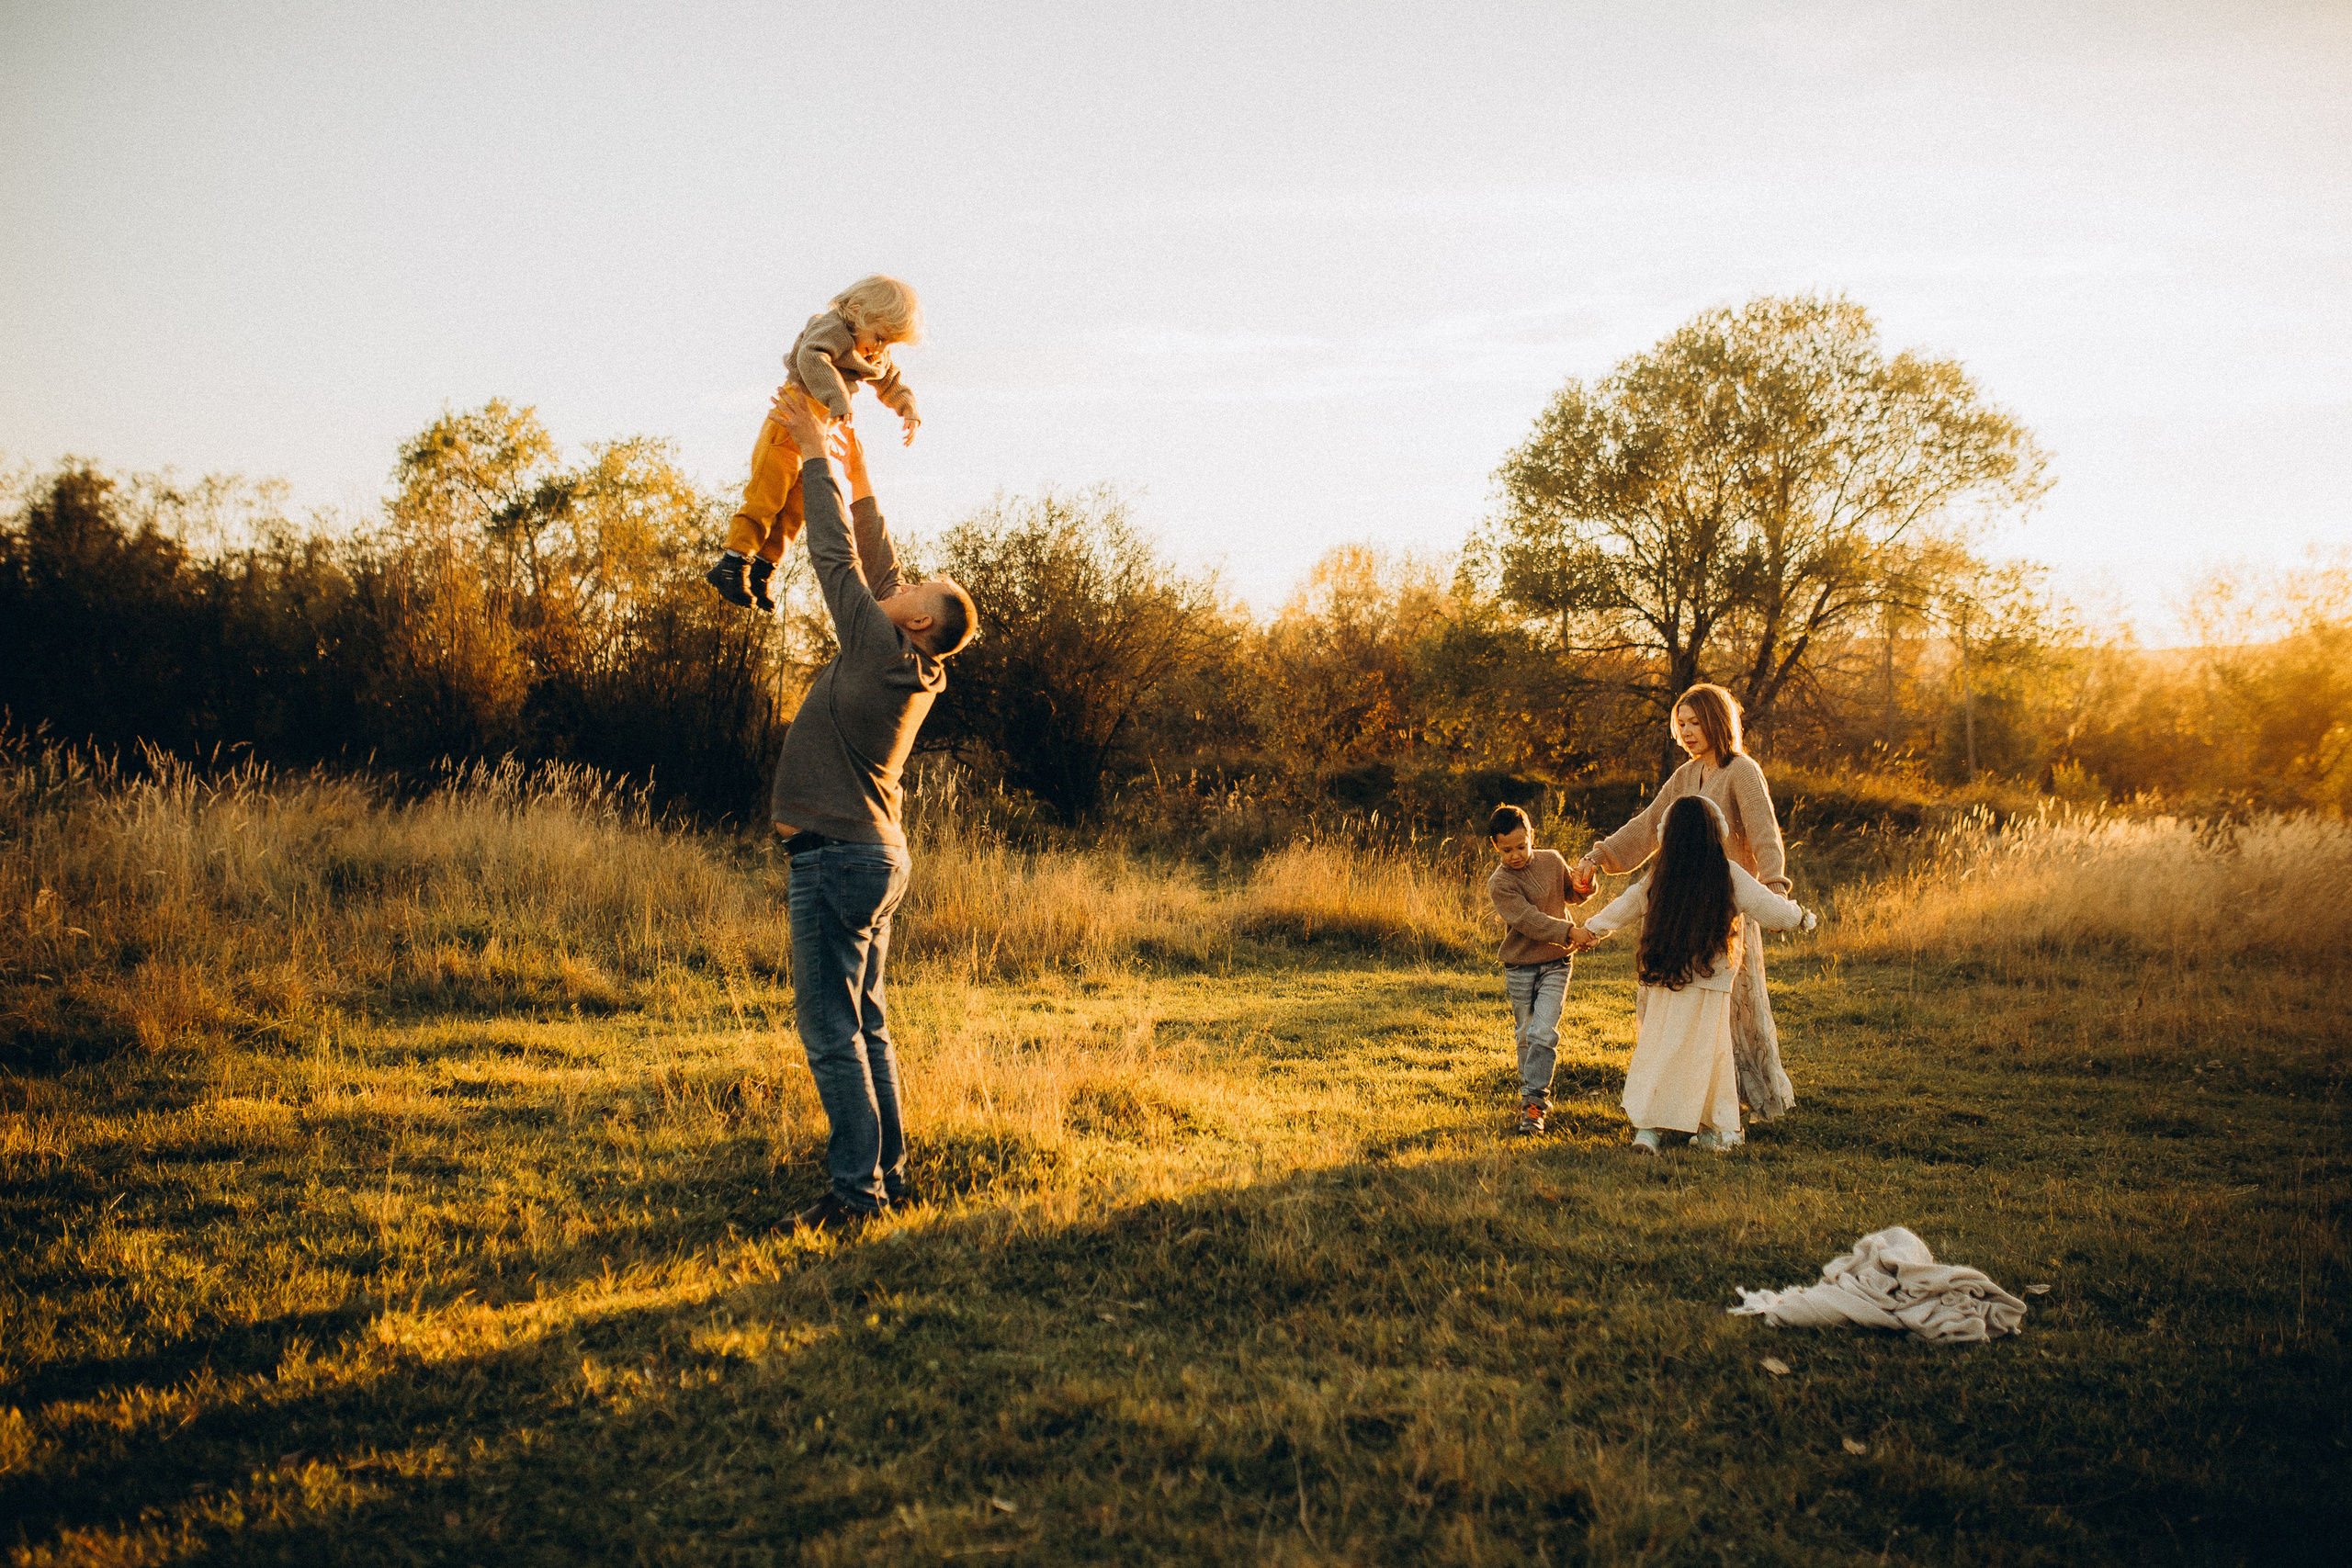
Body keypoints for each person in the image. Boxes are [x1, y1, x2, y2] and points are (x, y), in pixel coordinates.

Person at [765, 392, 976, 1235]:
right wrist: (857, 467)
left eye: (915, 589)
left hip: (838, 859)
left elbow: (836, 560)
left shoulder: (879, 649)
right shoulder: (908, 657)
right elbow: (880, 564)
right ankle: (888, 1174)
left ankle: (854, 1198)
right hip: (873, 855)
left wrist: (815, 453)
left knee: (831, 1033)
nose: (903, 582)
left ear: (916, 620)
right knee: (869, 1026)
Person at [1569, 683, 1801, 1120]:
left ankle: (1737, 1099)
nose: (1688, 731)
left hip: (1728, 910)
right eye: (1681, 723)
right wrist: (1598, 858)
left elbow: (1765, 834)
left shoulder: (1742, 771)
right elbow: (1648, 825)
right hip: (1679, 911)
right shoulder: (1685, 775)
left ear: (1718, 720)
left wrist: (1775, 892)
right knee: (1670, 1000)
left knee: (1734, 1010)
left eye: (1695, 722)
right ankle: (1677, 1096)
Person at [1580, 795, 1815, 1153]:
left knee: (1658, 1048)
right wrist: (1800, 916)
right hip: (1711, 980)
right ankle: (1711, 1128)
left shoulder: (1659, 876)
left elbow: (1625, 905)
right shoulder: (1728, 874)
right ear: (1715, 833)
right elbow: (1772, 912)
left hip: (1664, 976)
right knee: (1709, 1054)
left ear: (1667, 836)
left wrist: (1592, 929)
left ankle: (1648, 1131)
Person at [707, 275, 926, 614]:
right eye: (879, 337)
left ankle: (765, 568)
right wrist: (839, 400)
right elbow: (812, 357)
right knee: (767, 495)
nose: (880, 349)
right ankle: (732, 563)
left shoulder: (875, 352)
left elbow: (889, 379)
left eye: (888, 344)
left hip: (818, 428)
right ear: (856, 311)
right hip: (791, 414)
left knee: (798, 507)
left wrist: (907, 408)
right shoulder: (833, 328)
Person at [1484, 804, 1593, 1136]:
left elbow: (1572, 895)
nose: (1515, 855)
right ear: (1495, 846)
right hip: (1519, 967)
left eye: (1521, 846)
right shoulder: (1499, 883)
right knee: (1526, 1036)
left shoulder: (1550, 860)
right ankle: (1528, 1094)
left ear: (1532, 836)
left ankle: (1533, 1105)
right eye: (1506, 850)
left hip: (1556, 963)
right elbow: (1528, 920)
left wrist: (1584, 885)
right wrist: (1569, 931)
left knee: (1543, 1032)